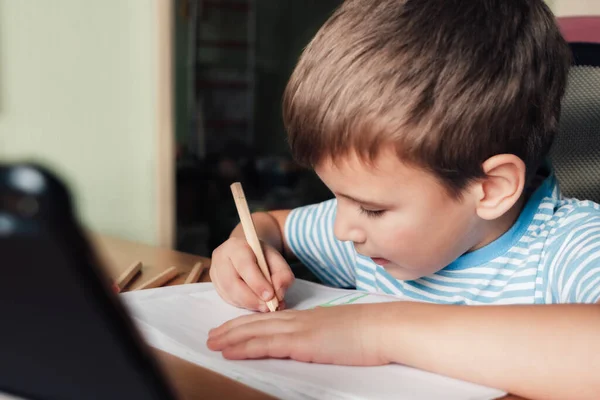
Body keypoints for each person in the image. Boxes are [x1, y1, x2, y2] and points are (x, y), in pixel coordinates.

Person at [207, 0, 600, 398]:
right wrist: (245, 246)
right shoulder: (373, 241)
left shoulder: (570, 246)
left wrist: (373, 331)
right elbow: (272, 225)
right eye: (337, 197)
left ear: (491, 189)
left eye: (371, 208)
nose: (342, 230)